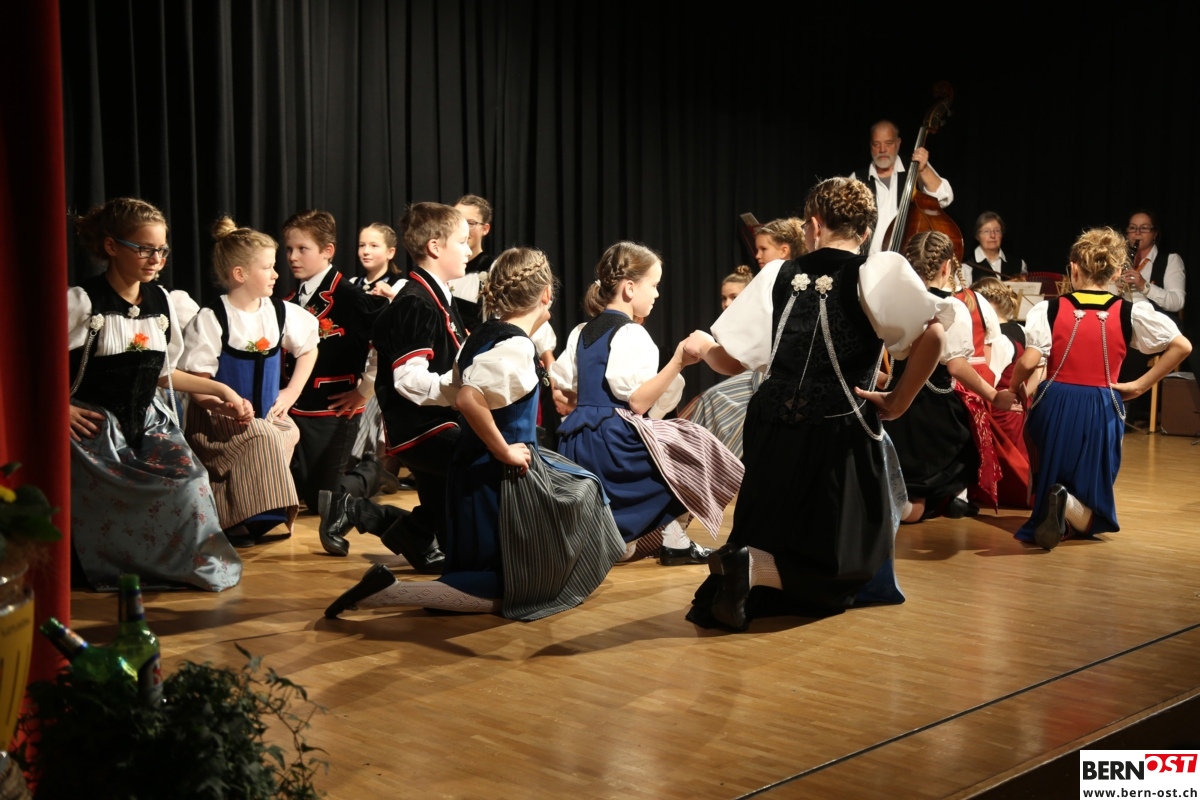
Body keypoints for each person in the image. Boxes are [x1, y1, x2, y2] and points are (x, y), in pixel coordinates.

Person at [683, 177, 951, 631]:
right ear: (865, 232)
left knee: (773, 523)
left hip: (772, 419)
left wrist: (703, 346)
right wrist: (899, 400)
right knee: (846, 552)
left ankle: (750, 568)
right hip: (839, 424)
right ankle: (753, 569)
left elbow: (730, 361)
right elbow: (935, 334)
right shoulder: (876, 271)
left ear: (812, 224)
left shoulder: (775, 274)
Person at [324, 248, 626, 620]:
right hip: (495, 474)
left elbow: (453, 387)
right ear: (546, 294)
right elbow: (468, 397)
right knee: (507, 585)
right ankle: (391, 592)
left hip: (476, 467)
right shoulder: (515, 345)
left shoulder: (485, 334)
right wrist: (503, 450)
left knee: (581, 493)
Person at [68, 197, 243, 592]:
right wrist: (58, 407)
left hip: (147, 423)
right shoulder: (82, 302)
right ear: (112, 246)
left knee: (191, 480)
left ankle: (179, 568)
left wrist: (220, 389)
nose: (156, 259)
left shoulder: (163, 302)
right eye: (145, 249)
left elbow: (163, 376)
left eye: (162, 250)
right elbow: (29, 367)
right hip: (94, 428)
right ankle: (115, 566)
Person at [552, 242, 743, 566]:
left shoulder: (582, 331)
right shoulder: (631, 334)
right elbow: (639, 402)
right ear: (629, 288)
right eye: (653, 285)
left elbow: (567, 389)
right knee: (696, 450)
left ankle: (650, 539)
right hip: (612, 442)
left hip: (577, 441)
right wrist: (678, 360)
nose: (656, 294)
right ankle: (638, 540)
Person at [1011, 227, 1190, 550]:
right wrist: (1140, 385)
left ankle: (1052, 504)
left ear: (1074, 268)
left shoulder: (1048, 309)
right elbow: (1182, 345)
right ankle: (1067, 506)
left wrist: (1015, 386)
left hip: (1054, 401)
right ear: (1117, 273)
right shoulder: (1130, 312)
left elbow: (1028, 361)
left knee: (1047, 463)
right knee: (1096, 513)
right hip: (1101, 405)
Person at [317, 202, 471, 570]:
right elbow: (410, 381)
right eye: (463, 242)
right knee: (484, 460)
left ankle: (355, 510)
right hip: (423, 430)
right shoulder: (416, 303)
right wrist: (465, 391)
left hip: (438, 422)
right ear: (435, 247)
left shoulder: (439, 296)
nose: (469, 250)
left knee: (443, 541)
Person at [182, 218, 319, 544]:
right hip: (219, 421)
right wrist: (224, 407)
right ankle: (236, 517)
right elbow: (197, 383)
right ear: (240, 274)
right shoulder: (213, 318)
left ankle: (259, 515)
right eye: (268, 268)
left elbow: (309, 348)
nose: (276, 274)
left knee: (284, 430)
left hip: (264, 415)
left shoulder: (278, 312)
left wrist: (291, 392)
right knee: (261, 435)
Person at [885, 232, 1017, 520]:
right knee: (963, 453)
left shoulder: (894, 302)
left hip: (895, 403)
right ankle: (914, 506)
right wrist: (994, 395)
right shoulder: (952, 306)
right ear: (947, 267)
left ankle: (902, 502)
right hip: (932, 408)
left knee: (908, 478)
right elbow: (956, 366)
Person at [282, 209, 388, 513]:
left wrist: (364, 391)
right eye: (289, 249)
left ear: (327, 251)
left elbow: (384, 347)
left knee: (323, 502)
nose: (293, 257)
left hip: (332, 409)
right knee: (294, 492)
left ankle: (374, 471)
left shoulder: (352, 298)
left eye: (302, 249)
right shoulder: (290, 299)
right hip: (294, 409)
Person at [679, 265, 764, 459]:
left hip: (760, 379)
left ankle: (715, 463)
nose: (727, 303)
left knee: (711, 400)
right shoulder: (729, 326)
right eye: (724, 298)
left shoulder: (760, 322)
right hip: (746, 380)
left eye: (734, 297)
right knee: (705, 401)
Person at [1114, 210, 1187, 424]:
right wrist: (1115, 287)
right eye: (1133, 228)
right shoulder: (1119, 261)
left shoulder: (1170, 260)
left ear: (1155, 233)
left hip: (1157, 321)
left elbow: (1177, 302)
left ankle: (1125, 407)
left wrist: (1144, 286)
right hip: (1123, 318)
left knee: (1135, 342)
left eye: (1144, 228)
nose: (1137, 233)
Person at [972, 276, 1038, 508]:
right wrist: (1023, 395)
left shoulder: (997, 340)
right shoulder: (1023, 330)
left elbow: (986, 378)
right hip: (1019, 412)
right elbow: (1041, 369)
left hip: (999, 415)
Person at [851, 120, 954, 256]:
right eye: (876, 144)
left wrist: (924, 169)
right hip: (868, 262)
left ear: (898, 143)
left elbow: (944, 198)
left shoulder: (916, 167)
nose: (882, 150)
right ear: (870, 145)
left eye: (888, 143)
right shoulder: (857, 178)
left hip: (909, 259)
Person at [447, 194, 494, 331]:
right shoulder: (439, 267)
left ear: (485, 229)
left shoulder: (493, 270)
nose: (463, 229)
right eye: (457, 221)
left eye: (471, 223)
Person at [962, 211, 1027, 285]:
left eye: (997, 231)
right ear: (977, 236)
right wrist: (1005, 286)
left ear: (1002, 234)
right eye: (986, 231)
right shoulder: (966, 266)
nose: (992, 235)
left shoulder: (1019, 264)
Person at [351, 222, 406, 298]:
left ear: (390, 252)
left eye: (374, 246)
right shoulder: (352, 283)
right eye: (362, 245)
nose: (365, 251)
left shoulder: (400, 287)